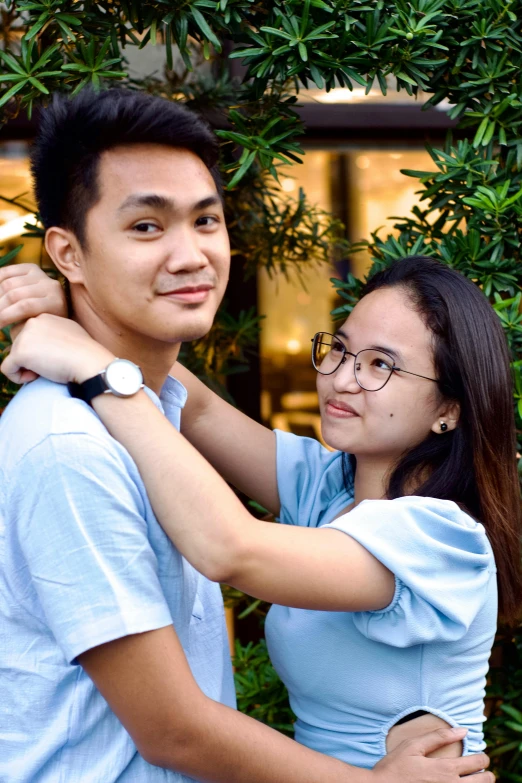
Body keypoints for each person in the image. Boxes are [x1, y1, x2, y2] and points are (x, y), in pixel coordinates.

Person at [0, 91, 490, 783]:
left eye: (382, 365)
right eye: (146, 226)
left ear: (450, 408)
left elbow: (230, 543)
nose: (345, 379)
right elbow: (187, 402)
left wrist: (88, 348)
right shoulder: (325, 485)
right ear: (69, 251)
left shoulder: (436, 534)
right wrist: (77, 311)